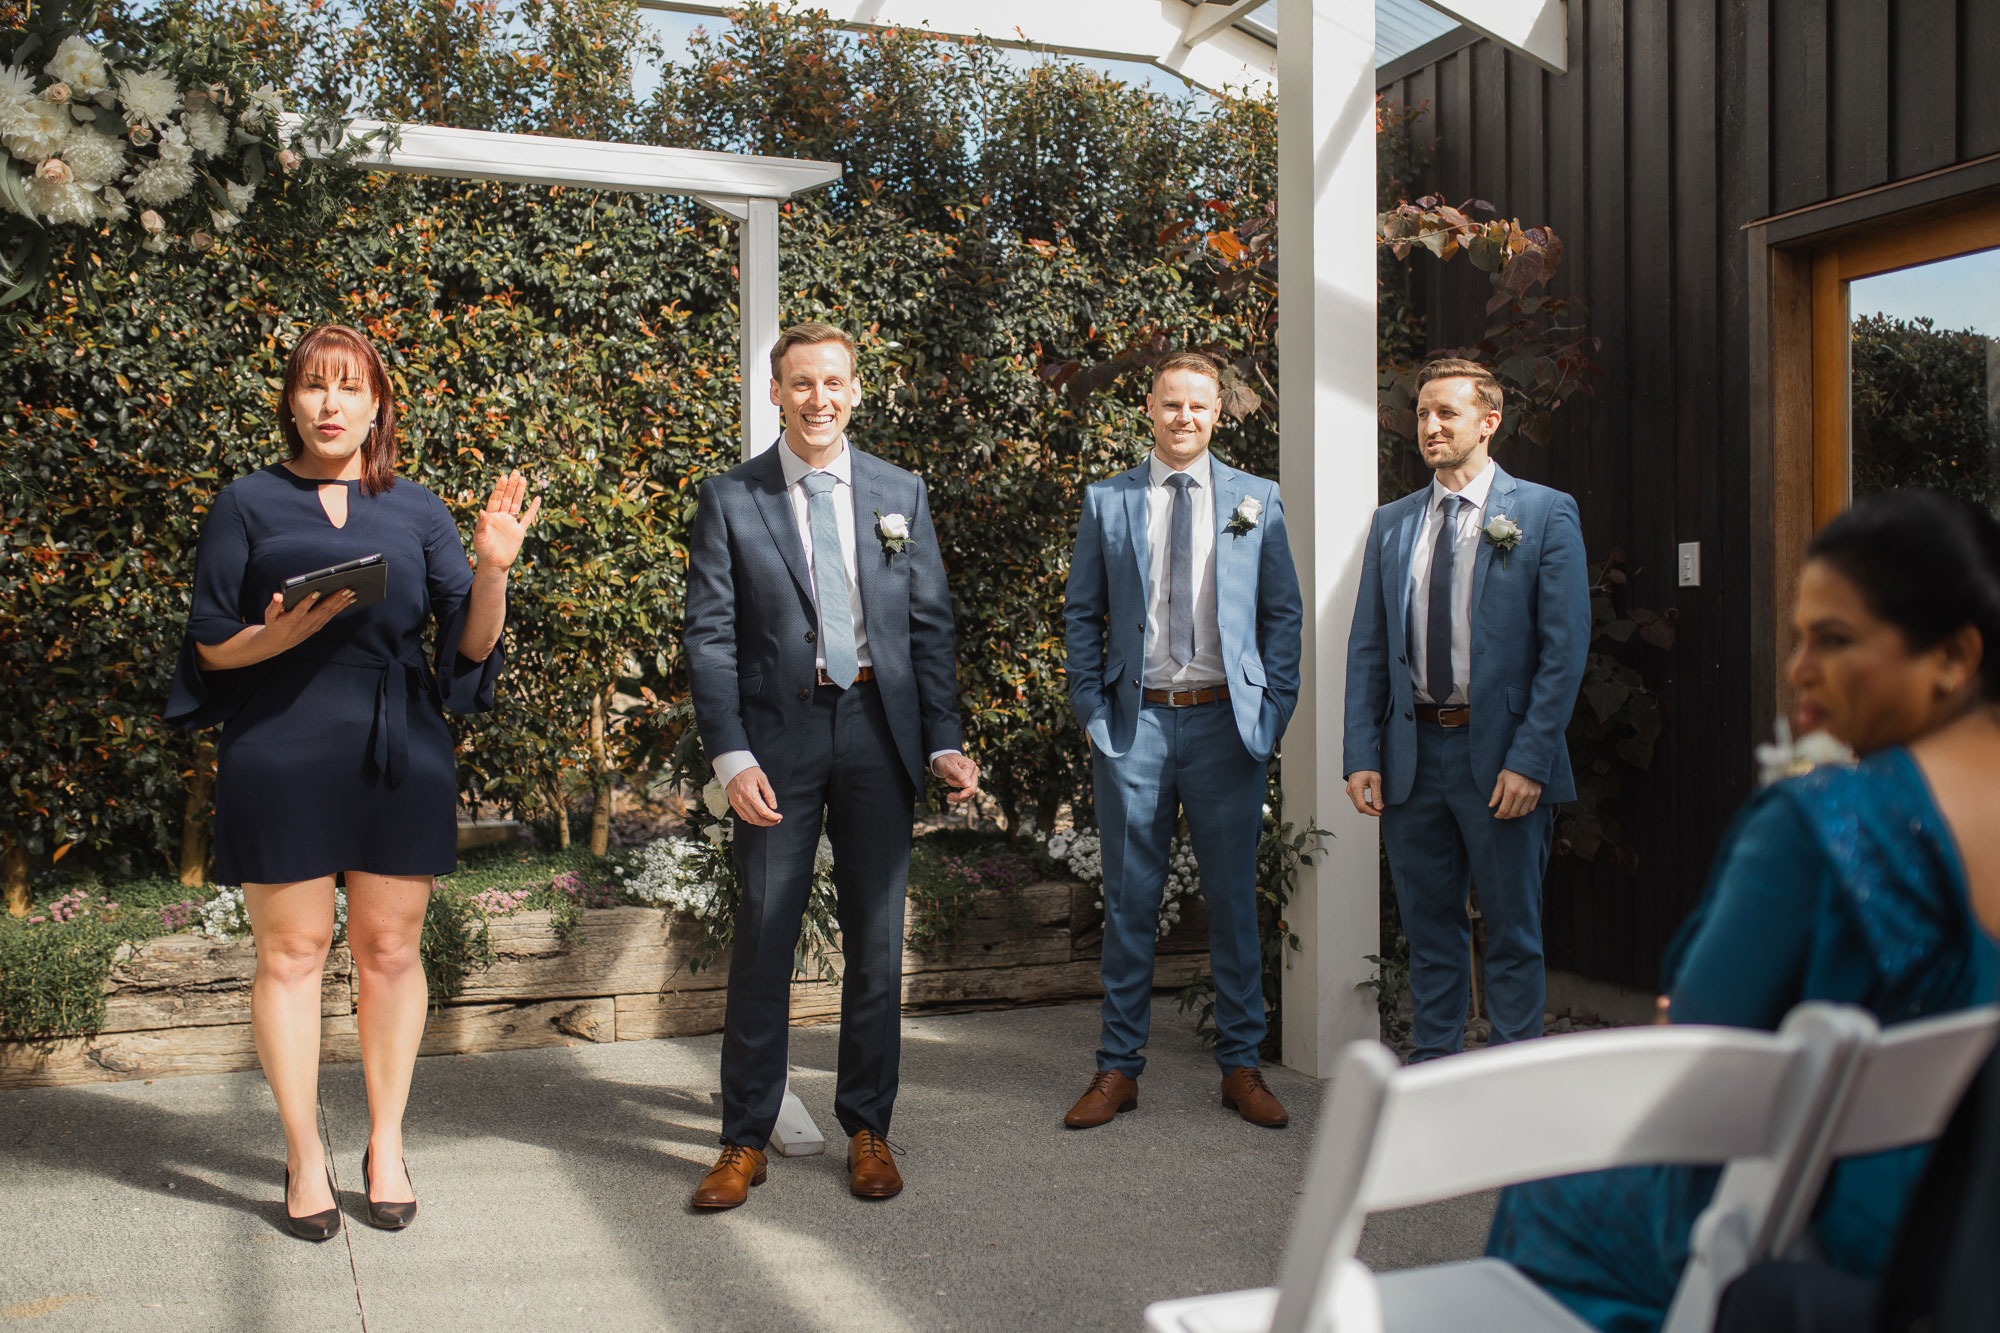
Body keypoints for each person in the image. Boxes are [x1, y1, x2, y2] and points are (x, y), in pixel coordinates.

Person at [1487, 490, 2000, 1333]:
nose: (1799, 669)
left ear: (1952, 655)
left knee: (1549, 1190)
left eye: (1833, 640)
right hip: (1972, 1223)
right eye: (1801, 638)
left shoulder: (1829, 821)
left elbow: (1700, 1054)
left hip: (1842, 1221)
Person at [166, 324, 538, 1240]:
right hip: (280, 741)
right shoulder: (245, 502)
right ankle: (302, 1153)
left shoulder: (418, 511)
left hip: (397, 742)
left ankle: (385, 1142)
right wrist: (277, 638)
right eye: (313, 387)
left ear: (378, 405)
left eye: (350, 388)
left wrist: (492, 570)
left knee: (390, 953)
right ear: (291, 399)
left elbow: (470, 646)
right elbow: (213, 634)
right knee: (290, 955)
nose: (331, 405)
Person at [681, 321, 980, 1209]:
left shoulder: (899, 492)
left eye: (834, 383)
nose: (819, 399)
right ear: (776, 393)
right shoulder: (732, 497)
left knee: (877, 943)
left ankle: (868, 1125)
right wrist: (731, 754)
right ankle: (743, 1137)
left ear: (856, 390)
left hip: (878, 736)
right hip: (778, 741)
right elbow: (710, 637)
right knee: (766, 935)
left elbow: (928, 628)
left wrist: (943, 737)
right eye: (802, 383)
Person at [1057, 351, 1303, 1130]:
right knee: (1131, 900)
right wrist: (1093, 710)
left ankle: (1242, 1065)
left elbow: (1282, 615)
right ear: (1151, 409)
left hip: (1226, 724)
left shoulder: (1256, 499)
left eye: (1199, 406)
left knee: (1233, 901)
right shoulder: (1109, 500)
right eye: (1171, 405)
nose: (1185, 417)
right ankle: (1117, 1068)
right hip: (1138, 724)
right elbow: (1082, 613)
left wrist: (1273, 709)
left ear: (1217, 413)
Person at [1342, 356, 1590, 1061]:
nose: (1430, 425)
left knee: (1512, 929)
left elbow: (1564, 651)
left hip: (1502, 757)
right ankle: (1433, 1079)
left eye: (1446, 412)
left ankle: (1509, 1090)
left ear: (1489, 421)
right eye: (1422, 413)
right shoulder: (1391, 525)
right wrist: (1361, 750)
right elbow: (1368, 646)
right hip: (1414, 755)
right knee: (1429, 927)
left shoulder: (1543, 513)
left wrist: (1530, 758)